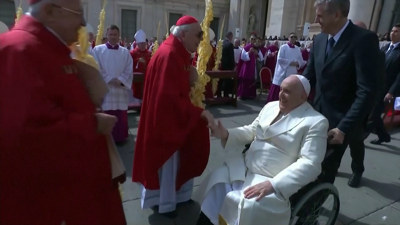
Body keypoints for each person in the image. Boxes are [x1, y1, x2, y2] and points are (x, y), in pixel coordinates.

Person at [0, 0, 126, 224]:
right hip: (50, 198)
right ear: (50, 11)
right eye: (77, 14)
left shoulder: (46, 47)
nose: (83, 23)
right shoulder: (20, 49)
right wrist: (91, 123)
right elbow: (24, 132)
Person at [193, 75, 329, 225]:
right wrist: (225, 133)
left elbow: (310, 163)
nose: (281, 95)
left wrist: (274, 184)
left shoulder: (315, 122)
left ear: (303, 96)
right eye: (281, 89)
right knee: (217, 180)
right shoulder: (270, 106)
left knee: (250, 204)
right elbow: (252, 130)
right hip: (245, 168)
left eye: (287, 91)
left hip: (271, 177)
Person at [132, 15, 214, 218]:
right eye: (198, 35)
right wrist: (199, 113)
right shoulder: (170, 54)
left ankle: (177, 197)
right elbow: (168, 99)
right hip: (166, 121)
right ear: (184, 34)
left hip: (173, 116)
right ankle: (165, 202)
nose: (201, 39)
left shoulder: (178, 52)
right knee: (168, 162)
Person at [303, 0, 380, 185]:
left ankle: (313, 208)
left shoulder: (363, 40)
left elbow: (366, 90)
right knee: (306, 164)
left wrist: (344, 127)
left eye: (320, 16)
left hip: (341, 123)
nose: (316, 20)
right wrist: (289, 93)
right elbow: (309, 76)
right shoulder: (320, 39)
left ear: (337, 15)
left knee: (325, 171)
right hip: (315, 115)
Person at [92, 25, 133, 144]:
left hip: (120, 89)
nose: (113, 37)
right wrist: (109, 79)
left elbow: (129, 69)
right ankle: (106, 138)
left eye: (115, 34)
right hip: (106, 89)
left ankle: (120, 138)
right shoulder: (98, 50)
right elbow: (96, 67)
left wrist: (120, 80)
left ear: (118, 35)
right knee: (107, 111)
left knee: (120, 114)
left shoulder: (125, 52)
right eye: (111, 34)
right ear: (107, 35)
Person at [366, 23, 400, 145]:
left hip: (387, 89)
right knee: (373, 113)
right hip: (375, 86)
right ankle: (384, 135)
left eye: (396, 31)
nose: (392, 33)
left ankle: (359, 137)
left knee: (374, 114)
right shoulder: (385, 48)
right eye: (392, 30)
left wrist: (391, 92)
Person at [267, 33, 305, 103]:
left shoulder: (298, 49)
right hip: (283, 71)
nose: (293, 38)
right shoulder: (283, 47)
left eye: (294, 37)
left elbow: (301, 60)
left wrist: (298, 63)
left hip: (292, 71)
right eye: (291, 37)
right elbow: (279, 59)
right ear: (288, 38)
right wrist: (291, 63)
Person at [236, 35, 264, 99]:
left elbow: (261, 58)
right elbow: (243, 57)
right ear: (249, 39)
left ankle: (250, 95)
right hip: (246, 66)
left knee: (251, 80)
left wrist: (257, 54)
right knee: (245, 79)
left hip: (253, 66)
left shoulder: (256, 48)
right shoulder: (246, 47)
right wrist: (249, 52)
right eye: (252, 39)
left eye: (254, 39)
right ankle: (243, 95)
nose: (253, 40)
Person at [130, 29, 152, 108]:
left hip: (147, 76)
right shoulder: (132, 53)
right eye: (141, 43)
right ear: (137, 44)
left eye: (144, 43)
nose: (143, 45)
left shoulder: (149, 53)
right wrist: (137, 60)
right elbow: (129, 63)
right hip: (136, 78)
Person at [218, 31, 236, 97]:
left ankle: (219, 94)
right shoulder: (230, 44)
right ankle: (226, 95)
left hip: (221, 65)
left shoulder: (221, 43)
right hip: (227, 66)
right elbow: (231, 56)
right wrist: (233, 66)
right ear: (230, 36)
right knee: (227, 81)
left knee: (220, 81)